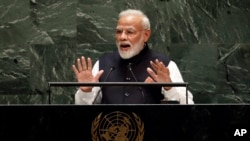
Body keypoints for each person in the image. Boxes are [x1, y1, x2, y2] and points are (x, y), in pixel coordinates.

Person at [72, 9, 194, 104]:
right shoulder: (103, 64)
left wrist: (168, 87)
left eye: (130, 32)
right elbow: (82, 111)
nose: (122, 37)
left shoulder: (165, 66)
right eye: (119, 32)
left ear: (146, 35)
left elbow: (187, 107)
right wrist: (85, 90)